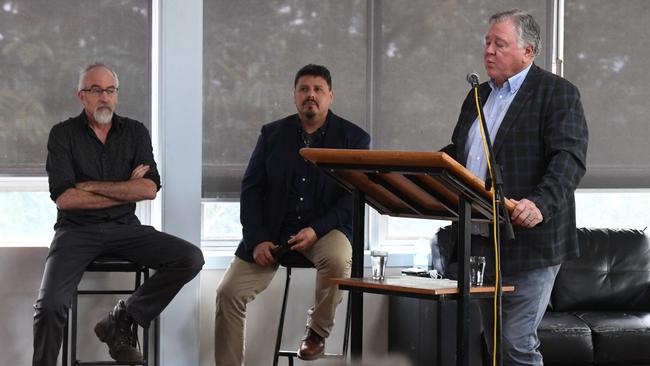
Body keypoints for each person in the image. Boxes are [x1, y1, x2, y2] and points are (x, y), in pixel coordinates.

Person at [440, 9, 588, 366]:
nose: (488, 50)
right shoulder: (477, 96)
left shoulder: (557, 93)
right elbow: (461, 154)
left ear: (529, 51)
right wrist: (426, 168)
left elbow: (568, 158)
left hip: (530, 240)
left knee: (516, 344)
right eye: (487, 43)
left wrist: (539, 204)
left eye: (499, 44)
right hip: (481, 239)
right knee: (496, 348)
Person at [33, 63, 205, 366]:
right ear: (81, 96)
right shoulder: (62, 135)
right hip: (75, 232)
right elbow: (66, 198)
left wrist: (91, 187)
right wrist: (125, 187)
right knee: (50, 307)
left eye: (110, 90)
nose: (104, 97)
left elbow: (149, 189)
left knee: (190, 258)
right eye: (96, 90)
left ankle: (122, 317)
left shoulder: (135, 132)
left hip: (127, 229)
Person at [214, 64, 370, 365]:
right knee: (228, 292)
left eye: (317, 90)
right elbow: (251, 189)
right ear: (294, 96)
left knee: (338, 259)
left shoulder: (354, 137)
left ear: (330, 96)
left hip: (325, 231)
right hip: (273, 234)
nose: (310, 95)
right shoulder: (272, 134)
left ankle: (317, 333)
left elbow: (353, 199)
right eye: (304, 89)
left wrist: (316, 229)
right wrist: (257, 239)